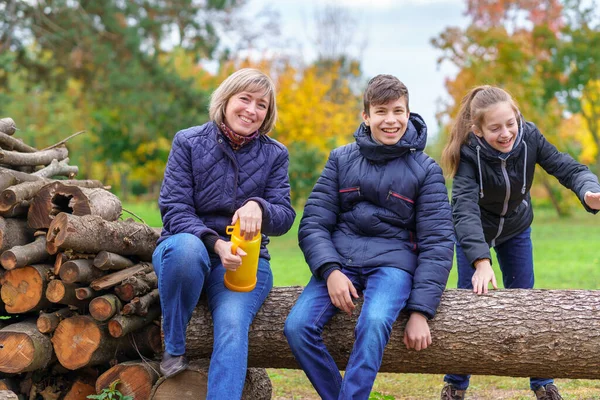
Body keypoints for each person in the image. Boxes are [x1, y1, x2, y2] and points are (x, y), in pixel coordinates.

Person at [284, 74, 455, 400]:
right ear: (366, 116)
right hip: (341, 260)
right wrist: (330, 271)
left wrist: (420, 311)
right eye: (381, 112)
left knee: (374, 322)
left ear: (408, 113)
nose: (390, 120)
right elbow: (313, 224)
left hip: (393, 264)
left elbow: (438, 243)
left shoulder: (426, 170)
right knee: (297, 327)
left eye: (397, 111)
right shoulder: (340, 159)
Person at [440, 85, 600, 400]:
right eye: (495, 128)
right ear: (479, 130)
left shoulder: (530, 138)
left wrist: (588, 190)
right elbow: (464, 211)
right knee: (468, 306)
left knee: (526, 301)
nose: (506, 133)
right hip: (476, 233)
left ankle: (542, 382)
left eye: (510, 123)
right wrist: (480, 261)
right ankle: (455, 384)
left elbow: (568, 168)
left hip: (516, 228)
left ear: (517, 117)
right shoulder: (468, 154)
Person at [153, 68, 295, 398]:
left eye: (261, 104)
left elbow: (285, 215)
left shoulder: (275, 154)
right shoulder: (188, 142)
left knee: (232, 325)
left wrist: (259, 206)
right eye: (244, 99)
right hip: (187, 250)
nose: (251, 109)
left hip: (245, 262)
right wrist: (215, 243)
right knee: (187, 250)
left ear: (267, 113)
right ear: (225, 100)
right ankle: (174, 346)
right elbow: (174, 209)